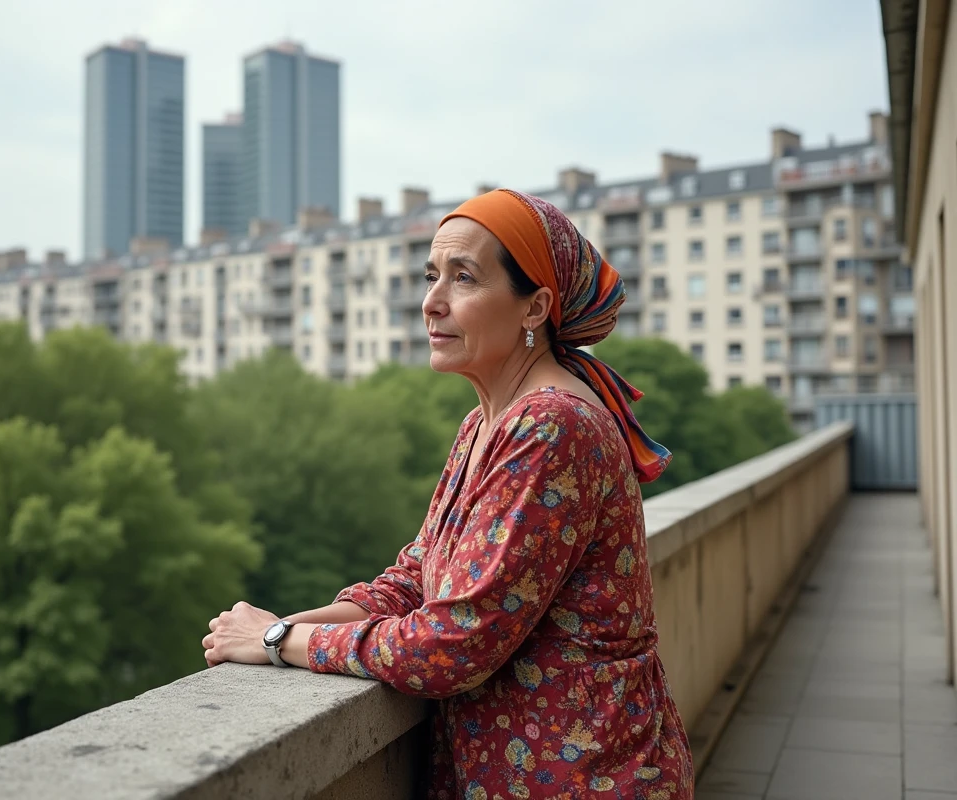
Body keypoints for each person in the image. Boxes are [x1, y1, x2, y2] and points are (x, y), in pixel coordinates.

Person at [202, 189, 694, 798]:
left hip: (586, 781)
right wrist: (279, 628)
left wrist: (279, 644)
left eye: (464, 278)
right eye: (432, 275)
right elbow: (414, 580)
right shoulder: (488, 422)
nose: (432, 302)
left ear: (534, 306)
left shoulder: (552, 427)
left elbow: (456, 641)